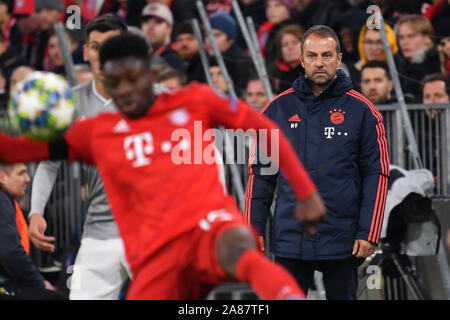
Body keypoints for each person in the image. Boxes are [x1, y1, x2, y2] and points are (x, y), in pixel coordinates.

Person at [0, 32, 326, 299]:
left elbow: (264, 128)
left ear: (151, 75)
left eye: (133, 79)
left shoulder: (194, 100)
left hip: (208, 227)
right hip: (156, 256)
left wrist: (305, 191)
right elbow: (15, 150)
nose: (125, 90)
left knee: (237, 246)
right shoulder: (98, 133)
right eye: (116, 83)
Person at [245, 25, 390, 300]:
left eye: (326, 55)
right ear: (301, 60)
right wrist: (253, 228)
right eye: (312, 56)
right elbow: (261, 176)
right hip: (290, 237)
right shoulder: (276, 110)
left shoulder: (363, 111)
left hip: (343, 239)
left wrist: (370, 231)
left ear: (338, 58)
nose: (319, 63)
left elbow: (377, 174)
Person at [27, 14, 132, 300]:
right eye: (95, 47)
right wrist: (36, 210)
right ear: (85, 51)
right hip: (99, 230)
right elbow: (49, 164)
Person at [0, 162, 63, 299]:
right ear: (2, 177)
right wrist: (39, 282)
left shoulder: (7, 201)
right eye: (21, 173)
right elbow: (10, 252)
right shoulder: (2, 201)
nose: (28, 178)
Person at [205, 11, 254, 97]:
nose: (210, 40)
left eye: (217, 35)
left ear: (230, 39)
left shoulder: (241, 62)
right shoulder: (203, 59)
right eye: (207, 35)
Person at [394, 14, 441, 101]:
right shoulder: (400, 66)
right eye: (401, 37)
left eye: (411, 36)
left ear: (428, 38)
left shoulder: (438, 62)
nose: (405, 42)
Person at [140, 2, 184, 72]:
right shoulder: (141, 56)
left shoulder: (178, 55)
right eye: (146, 22)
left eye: (157, 22)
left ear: (169, 28)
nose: (150, 27)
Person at [267, 24, 304, 94]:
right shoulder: (279, 77)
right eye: (285, 45)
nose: (290, 47)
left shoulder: (312, 71)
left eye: (295, 42)